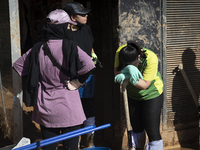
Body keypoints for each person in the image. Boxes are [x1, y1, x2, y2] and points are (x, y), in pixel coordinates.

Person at [13, 9, 95, 150]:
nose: (69, 29)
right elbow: (89, 65)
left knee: (49, 148)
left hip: (46, 108)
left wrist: (37, 78)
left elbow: (18, 66)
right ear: (61, 28)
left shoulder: (37, 49)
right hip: (70, 107)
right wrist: (78, 81)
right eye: (68, 26)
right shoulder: (71, 46)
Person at [114, 40, 164, 150]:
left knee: (152, 131)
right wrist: (125, 71)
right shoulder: (121, 52)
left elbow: (144, 85)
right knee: (136, 128)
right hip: (132, 95)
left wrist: (128, 76)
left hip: (152, 94)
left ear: (139, 57)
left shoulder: (151, 58)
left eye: (131, 64)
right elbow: (117, 72)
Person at [63, 2, 98, 148]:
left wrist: (93, 56)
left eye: (86, 13)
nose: (86, 16)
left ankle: (89, 143)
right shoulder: (64, 33)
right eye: (82, 14)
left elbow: (90, 47)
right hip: (71, 78)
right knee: (72, 110)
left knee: (88, 106)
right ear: (72, 17)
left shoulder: (87, 29)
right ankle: (73, 144)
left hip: (88, 75)